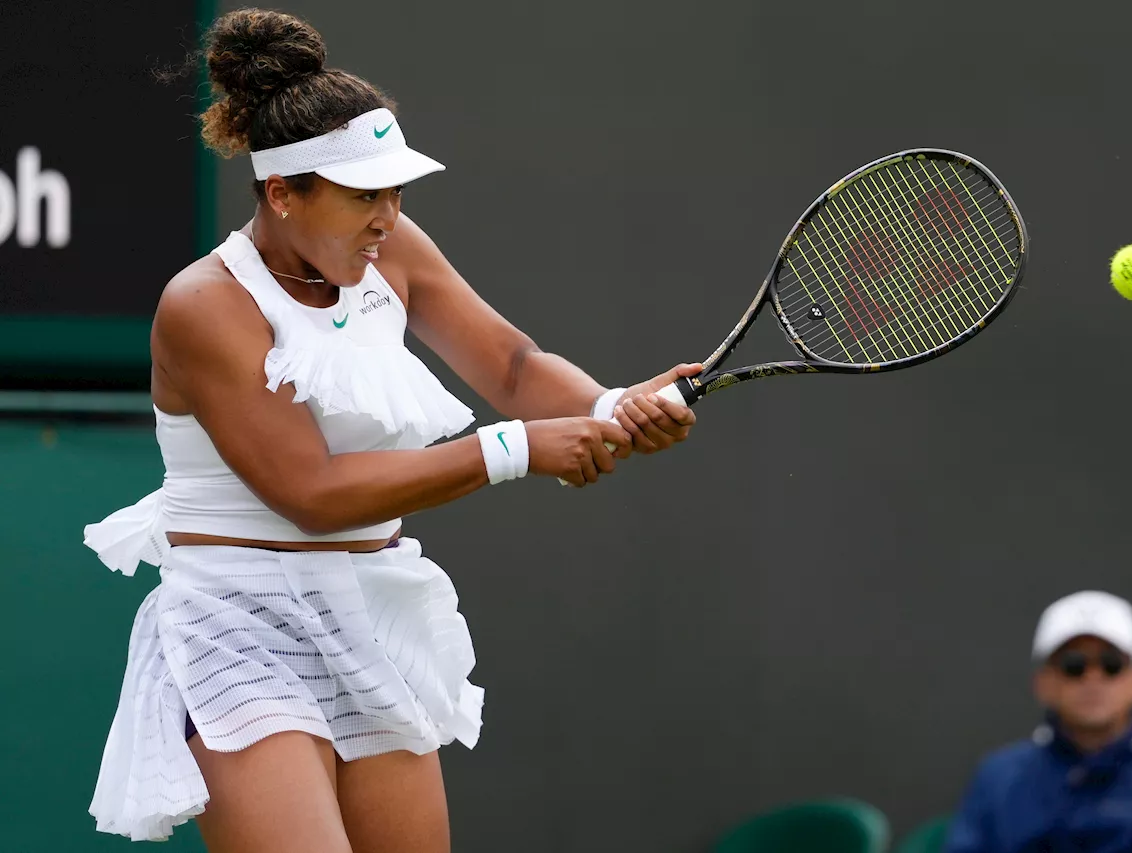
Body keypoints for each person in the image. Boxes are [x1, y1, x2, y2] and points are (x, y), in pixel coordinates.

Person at [82, 8, 700, 852]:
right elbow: (310, 494)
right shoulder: (207, 304)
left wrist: (605, 405)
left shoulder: (392, 248)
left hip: (369, 611)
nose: (387, 215)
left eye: (395, 191)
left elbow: (513, 366)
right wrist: (513, 448)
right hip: (238, 623)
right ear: (282, 192)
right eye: (363, 193)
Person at [943, 590, 1132, 853]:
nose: (1092, 679)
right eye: (1073, 665)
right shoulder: (998, 777)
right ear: (1043, 683)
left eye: (1111, 664)